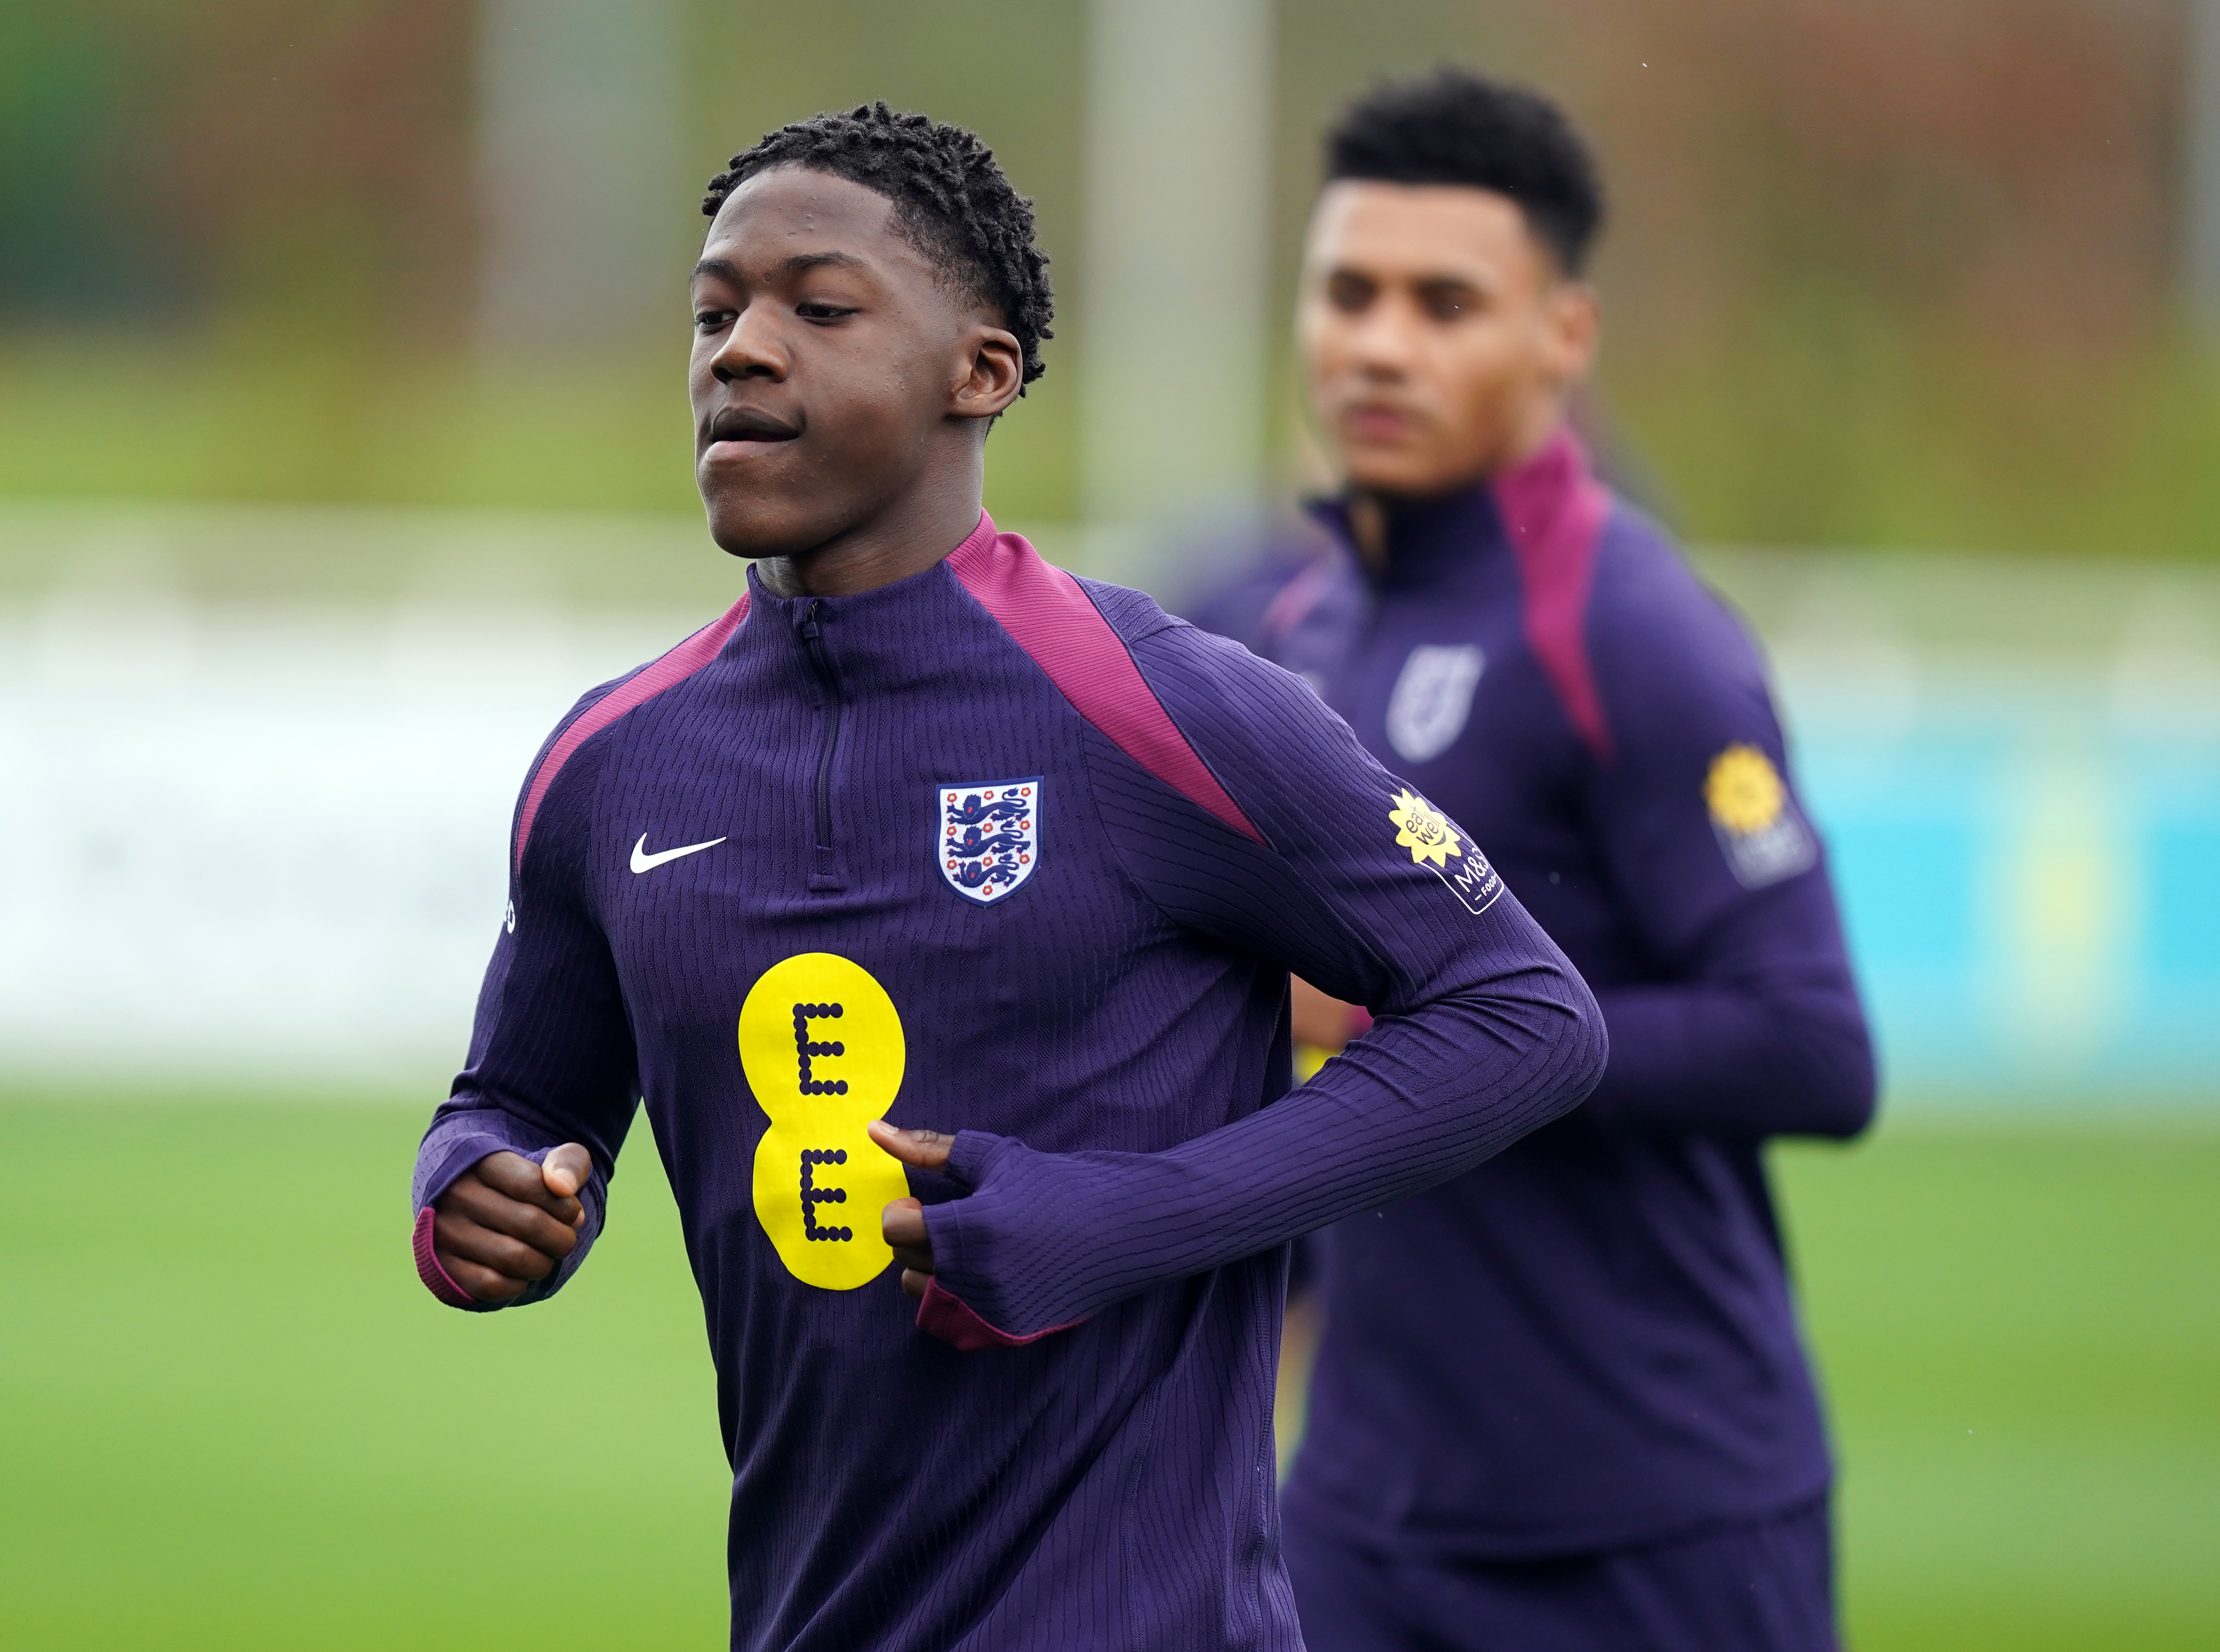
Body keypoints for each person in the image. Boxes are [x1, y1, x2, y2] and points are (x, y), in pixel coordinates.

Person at [406, 103, 1606, 1652]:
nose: (741, 351)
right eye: (714, 313)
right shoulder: (610, 764)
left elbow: (1525, 1017)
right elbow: (518, 1101)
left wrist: (1120, 1216)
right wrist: (476, 1192)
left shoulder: (1159, 708)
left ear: (983, 371)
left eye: (819, 309)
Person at [1189, 70, 1878, 1652]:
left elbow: (1812, 1048)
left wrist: (1403, 1027)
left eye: (1447, 303)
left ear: (1563, 335)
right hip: (1362, 1509)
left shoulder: (1627, 633)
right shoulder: (1305, 622)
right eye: (1347, 292)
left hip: (1648, 1522)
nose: (1379, 343)